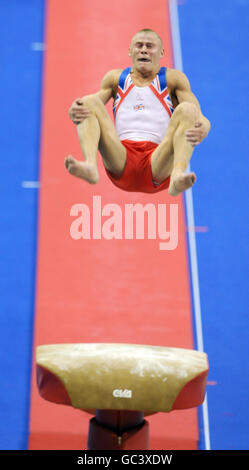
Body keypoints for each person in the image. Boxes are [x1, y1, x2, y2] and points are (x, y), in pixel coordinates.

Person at [65, 29, 211, 196]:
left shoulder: (173, 79)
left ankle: (177, 175)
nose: (143, 50)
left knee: (188, 109)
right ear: (130, 50)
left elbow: (200, 118)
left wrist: (204, 128)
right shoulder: (115, 79)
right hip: (121, 159)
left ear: (162, 52)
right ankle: (90, 165)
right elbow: (88, 106)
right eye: (139, 45)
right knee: (88, 101)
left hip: (158, 162)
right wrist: (74, 110)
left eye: (150, 46)